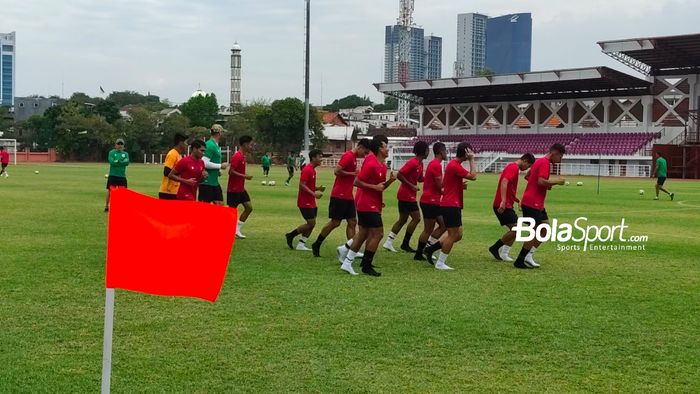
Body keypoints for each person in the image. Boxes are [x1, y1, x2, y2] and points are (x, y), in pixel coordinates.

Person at [340, 135, 397, 277]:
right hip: (366, 204)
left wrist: (390, 181)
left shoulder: (382, 165)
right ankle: (366, 264)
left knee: (364, 234)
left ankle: (347, 262)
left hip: (374, 204)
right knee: (378, 234)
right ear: (379, 148)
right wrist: (373, 187)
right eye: (385, 146)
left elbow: (380, 187)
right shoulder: (371, 162)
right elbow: (357, 182)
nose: (387, 149)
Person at [311, 139, 371, 258]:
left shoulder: (353, 158)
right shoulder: (348, 156)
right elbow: (336, 171)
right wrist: (352, 174)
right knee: (335, 222)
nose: (365, 155)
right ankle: (317, 243)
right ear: (360, 147)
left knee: (352, 221)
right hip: (339, 195)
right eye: (365, 152)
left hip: (348, 195)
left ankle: (351, 249)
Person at [423, 142, 478, 271]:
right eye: (469, 152)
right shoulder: (454, 165)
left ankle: (430, 249)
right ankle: (440, 262)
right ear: (466, 152)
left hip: (452, 204)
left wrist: (460, 186)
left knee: (458, 234)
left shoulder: (454, 165)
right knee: (453, 235)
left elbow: (449, 183)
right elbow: (473, 176)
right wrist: (472, 160)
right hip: (450, 205)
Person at [513, 144, 567, 269]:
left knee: (545, 229)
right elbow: (541, 181)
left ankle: (529, 255)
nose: (560, 160)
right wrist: (557, 182)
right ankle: (520, 260)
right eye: (560, 156)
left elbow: (528, 176)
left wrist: (546, 185)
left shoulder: (539, 161)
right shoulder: (545, 163)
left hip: (536, 203)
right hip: (533, 203)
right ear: (555, 153)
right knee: (536, 231)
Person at [488, 153, 536, 262]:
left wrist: (516, 199)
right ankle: (495, 248)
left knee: (515, 228)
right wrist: (503, 201)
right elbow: (504, 182)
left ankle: (504, 253)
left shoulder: (514, 168)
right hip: (502, 205)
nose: (526, 169)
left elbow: (508, 186)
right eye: (528, 166)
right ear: (525, 160)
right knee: (516, 228)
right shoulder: (513, 167)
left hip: (507, 204)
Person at [383, 141, 429, 253]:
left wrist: (431, 177)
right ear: (423, 151)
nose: (428, 152)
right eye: (427, 150)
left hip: (408, 195)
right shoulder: (412, 163)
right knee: (416, 218)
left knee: (403, 219)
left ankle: (389, 242)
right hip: (406, 195)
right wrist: (411, 185)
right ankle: (404, 243)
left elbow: (420, 179)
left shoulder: (420, 163)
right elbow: (399, 174)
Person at [414, 142, 448, 262]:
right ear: (440, 152)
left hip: (433, 201)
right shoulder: (435, 165)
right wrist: (452, 183)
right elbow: (440, 186)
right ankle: (419, 253)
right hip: (430, 201)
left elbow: (438, 186)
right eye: (445, 151)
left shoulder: (436, 164)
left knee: (444, 224)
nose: (447, 153)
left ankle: (428, 248)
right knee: (428, 229)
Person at [286, 149, 325, 251]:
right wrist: (314, 194)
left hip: (311, 201)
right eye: (319, 157)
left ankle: (301, 244)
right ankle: (290, 235)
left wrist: (317, 188)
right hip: (305, 201)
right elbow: (301, 185)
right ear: (313, 158)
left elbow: (308, 186)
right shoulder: (307, 169)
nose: (321, 159)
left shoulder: (313, 170)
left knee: (312, 223)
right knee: (311, 223)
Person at [227, 136, 255, 239]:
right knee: (231, 212)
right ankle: (227, 230)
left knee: (249, 208)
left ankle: (237, 229)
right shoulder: (237, 156)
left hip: (241, 189)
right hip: (233, 190)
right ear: (245, 144)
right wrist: (244, 176)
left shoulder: (243, 156)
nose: (251, 146)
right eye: (250, 144)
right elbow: (231, 172)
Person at [200, 124, 230, 205]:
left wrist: (217, 170)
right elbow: (204, 162)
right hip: (207, 183)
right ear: (219, 133)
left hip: (214, 182)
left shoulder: (215, 145)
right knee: (204, 211)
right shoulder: (210, 145)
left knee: (220, 206)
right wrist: (220, 166)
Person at [159, 133, 189, 200]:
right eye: (186, 142)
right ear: (181, 143)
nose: (187, 145)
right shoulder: (172, 154)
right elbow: (166, 172)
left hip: (174, 191)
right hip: (168, 192)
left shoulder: (179, 155)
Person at [104, 138, 130, 212]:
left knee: (123, 192)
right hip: (113, 175)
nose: (120, 145)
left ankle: (122, 207)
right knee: (110, 191)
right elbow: (112, 162)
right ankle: (106, 206)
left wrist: (118, 161)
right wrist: (121, 162)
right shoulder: (111, 152)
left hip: (122, 176)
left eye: (121, 144)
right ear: (115, 145)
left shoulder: (125, 154)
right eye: (118, 144)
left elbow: (127, 162)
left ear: (123, 146)